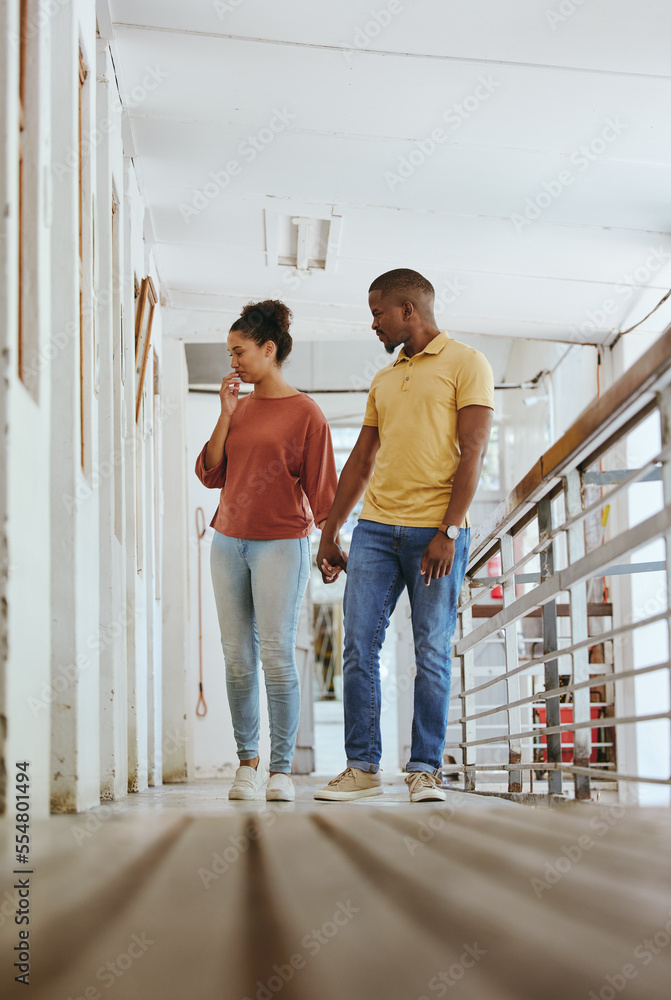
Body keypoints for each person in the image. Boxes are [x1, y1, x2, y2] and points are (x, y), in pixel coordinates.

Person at [314, 269, 494, 803]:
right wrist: (332, 529)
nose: (373, 324)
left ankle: (424, 769)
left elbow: (474, 451)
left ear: (408, 310)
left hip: (435, 532)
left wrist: (450, 529)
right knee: (356, 647)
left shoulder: (467, 364)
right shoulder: (385, 379)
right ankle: (362, 766)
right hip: (374, 530)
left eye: (378, 313)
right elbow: (362, 460)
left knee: (432, 651)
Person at [195, 300, 338, 802]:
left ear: (269, 349)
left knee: (276, 655)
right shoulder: (239, 408)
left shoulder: (306, 414)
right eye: (230, 353)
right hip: (228, 541)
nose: (233, 361)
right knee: (237, 658)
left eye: (240, 351)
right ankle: (247, 764)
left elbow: (324, 492)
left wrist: (330, 544)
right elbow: (210, 472)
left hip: (282, 544)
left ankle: (281, 770)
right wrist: (225, 415)